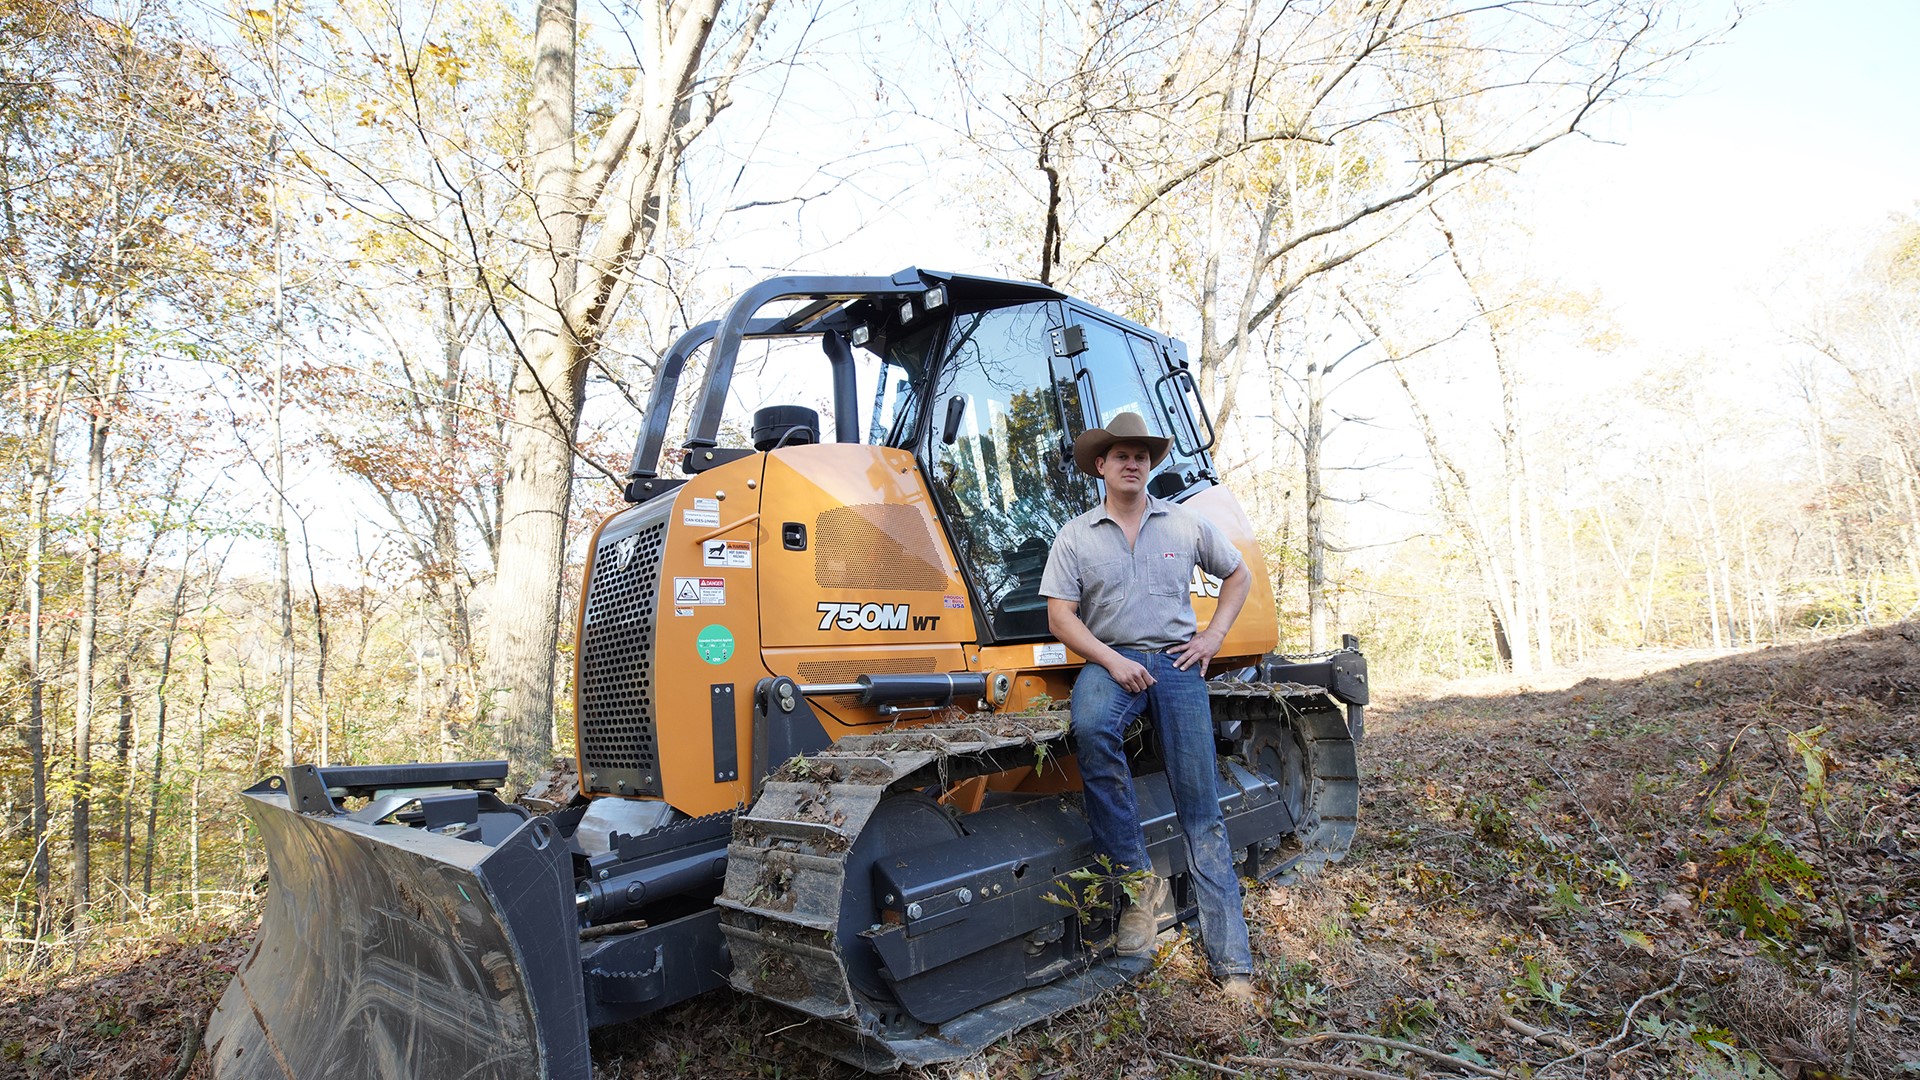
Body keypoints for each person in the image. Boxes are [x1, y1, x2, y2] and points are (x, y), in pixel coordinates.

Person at [1039, 411, 1259, 1001]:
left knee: (1200, 804)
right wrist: (1111, 661)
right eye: (1120, 455)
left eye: (1141, 454)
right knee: (1089, 727)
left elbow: (1237, 575)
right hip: (1111, 663)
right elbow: (1060, 616)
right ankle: (1139, 887)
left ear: (1149, 464)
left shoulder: (1184, 524)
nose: (1132, 462)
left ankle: (1232, 960)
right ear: (1101, 466)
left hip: (1178, 664)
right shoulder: (1076, 535)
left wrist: (1212, 637)